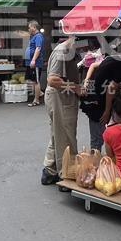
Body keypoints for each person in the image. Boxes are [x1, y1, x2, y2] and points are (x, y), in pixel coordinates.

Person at [80, 42, 121, 153]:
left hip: (96, 100)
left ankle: (98, 163)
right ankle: (95, 166)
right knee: (97, 141)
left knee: (98, 139)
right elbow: (111, 88)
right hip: (99, 104)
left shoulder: (114, 58)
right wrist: (107, 111)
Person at [41, 35, 84, 185]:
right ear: (75, 40)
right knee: (66, 137)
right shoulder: (62, 51)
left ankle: (49, 170)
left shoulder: (69, 51)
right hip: (59, 98)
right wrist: (76, 88)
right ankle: (66, 175)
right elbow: (52, 80)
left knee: (57, 134)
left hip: (64, 98)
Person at [25, 20, 45, 107]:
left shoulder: (38, 36)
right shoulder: (34, 36)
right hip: (31, 61)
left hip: (36, 62)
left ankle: (36, 100)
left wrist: (33, 60)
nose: (29, 29)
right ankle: (39, 93)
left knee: (36, 81)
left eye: (29, 27)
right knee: (32, 80)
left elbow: (38, 48)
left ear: (34, 27)